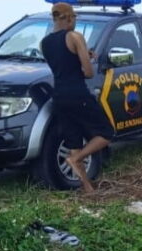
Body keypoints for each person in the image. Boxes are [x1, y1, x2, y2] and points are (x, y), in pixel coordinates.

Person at [41, 2, 114, 192]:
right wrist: (86, 58)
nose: (74, 21)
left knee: (73, 140)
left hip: (59, 96)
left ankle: (87, 188)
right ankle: (76, 159)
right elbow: (88, 72)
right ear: (68, 17)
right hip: (78, 94)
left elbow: (62, 63)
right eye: (73, 17)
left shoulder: (45, 43)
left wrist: (79, 56)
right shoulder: (75, 37)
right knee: (106, 133)